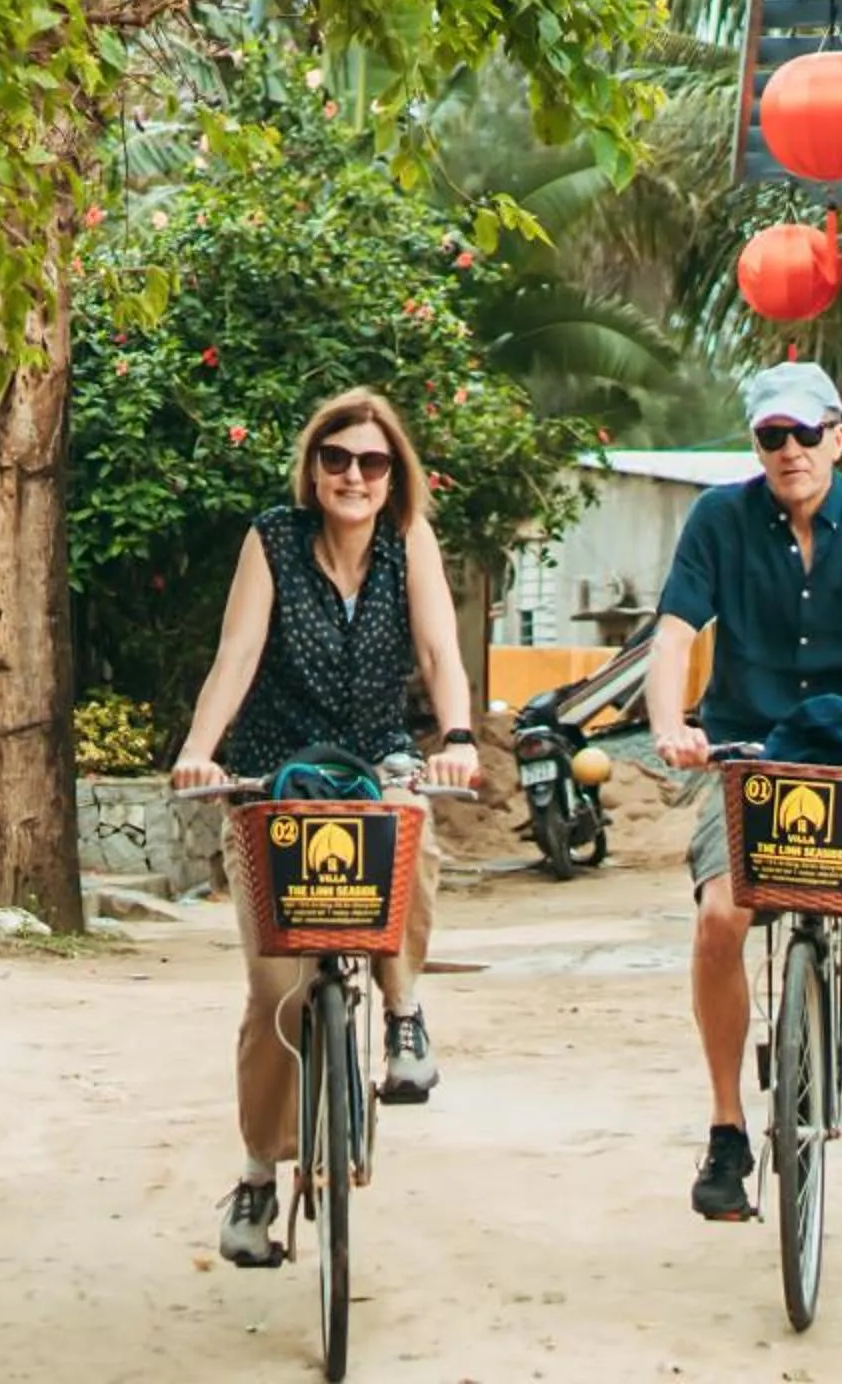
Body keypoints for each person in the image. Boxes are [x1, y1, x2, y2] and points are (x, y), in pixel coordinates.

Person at [641, 360, 842, 1223]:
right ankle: (725, 1131)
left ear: (839, 434)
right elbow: (675, 634)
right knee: (722, 917)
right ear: (756, 445)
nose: (789, 451)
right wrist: (672, 725)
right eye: (770, 437)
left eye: (804, 434)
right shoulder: (719, 519)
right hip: (745, 746)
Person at [170, 387, 483, 1269]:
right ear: (314, 469)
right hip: (277, 774)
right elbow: (236, 656)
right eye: (337, 459)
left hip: (375, 762)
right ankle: (255, 1182)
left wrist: (456, 738)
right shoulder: (272, 541)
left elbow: (437, 654)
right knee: (275, 995)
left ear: (393, 477)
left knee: (410, 817)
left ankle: (406, 1013)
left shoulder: (407, 543)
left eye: (372, 462)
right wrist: (201, 752)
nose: (353, 474)